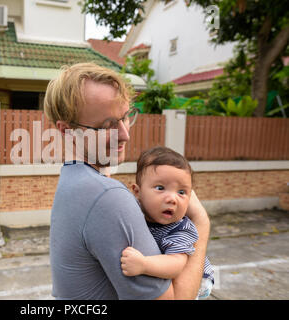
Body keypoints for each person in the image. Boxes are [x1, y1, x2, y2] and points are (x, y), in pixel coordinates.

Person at [44, 62, 210, 300]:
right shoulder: (107, 196)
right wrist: (201, 224)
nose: (125, 134)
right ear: (67, 131)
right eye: (108, 125)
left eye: (125, 117)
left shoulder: (73, 179)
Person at [120, 146, 214, 299]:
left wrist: (144, 265)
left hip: (199, 282)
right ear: (137, 192)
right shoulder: (133, 209)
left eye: (182, 192)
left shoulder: (181, 229)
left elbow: (176, 265)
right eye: (160, 188)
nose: (172, 198)